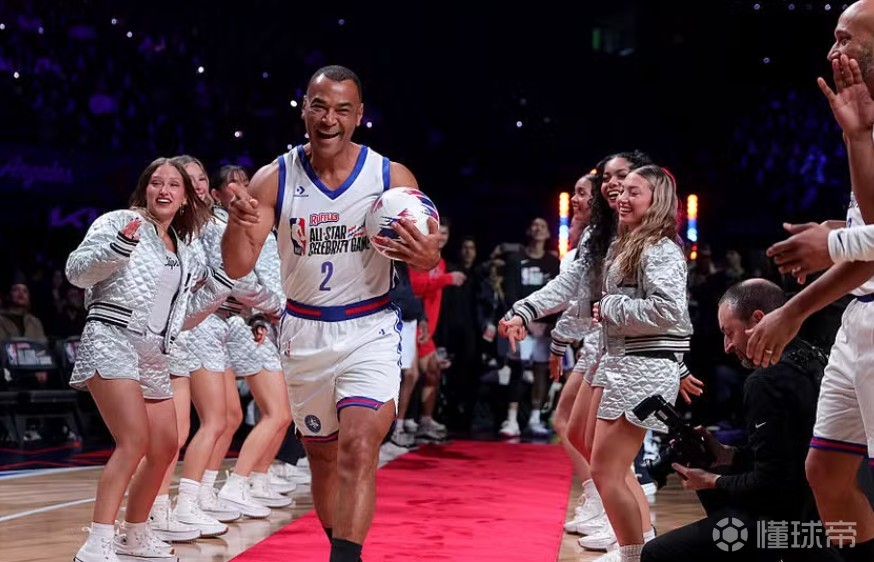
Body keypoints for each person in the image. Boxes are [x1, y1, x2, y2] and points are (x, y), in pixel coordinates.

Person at [220, 65, 440, 562]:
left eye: (342, 109)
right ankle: (340, 547)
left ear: (359, 116)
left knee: (359, 446)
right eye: (319, 106)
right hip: (304, 331)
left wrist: (428, 257)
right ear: (304, 110)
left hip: (370, 327)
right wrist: (236, 224)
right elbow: (236, 266)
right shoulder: (274, 177)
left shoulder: (390, 177)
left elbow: (426, 256)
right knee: (322, 458)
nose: (329, 119)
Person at [746, 5, 874, 558]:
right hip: (859, 318)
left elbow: (867, 247)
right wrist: (858, 139)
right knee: (824, 470)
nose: (832, 51)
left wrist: (829, 252)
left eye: (845, 38)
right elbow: (870, 227)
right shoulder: (863, 117)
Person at [65, 157, 227, 562]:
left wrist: (220, 289)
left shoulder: (183, 248)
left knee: (166, 445)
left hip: (154, 352)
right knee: (134, 440)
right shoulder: (119, 221)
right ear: (145, 189)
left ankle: (135, 535)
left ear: (185, 198)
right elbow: (76, 272)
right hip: (112, 337)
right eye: (156, 182)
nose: (164, 190)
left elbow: (181, 317)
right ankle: (97, 542)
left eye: (174, 184)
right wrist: (117, 248)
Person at [642, 279, 839, 562]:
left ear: (758, 320)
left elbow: (773, 484)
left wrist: (713, 481)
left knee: (655, 553)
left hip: (792, 532)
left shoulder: (765, 381)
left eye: (729, 332)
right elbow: (791, 455)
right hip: (826, 521)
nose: (727, 346)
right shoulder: (816, 359)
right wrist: (730, 454)